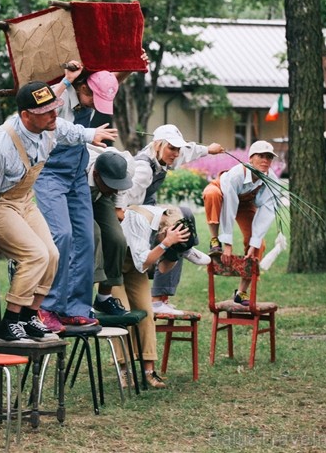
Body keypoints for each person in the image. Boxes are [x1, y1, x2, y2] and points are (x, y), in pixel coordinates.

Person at [0, 81, 118, 343]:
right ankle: (9, 323)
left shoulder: (49, 128)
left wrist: (91, 134)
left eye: (55, 108)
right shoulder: (0, 144)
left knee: (53, 253)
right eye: (46, 111)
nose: (54, 115)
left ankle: (31, 316)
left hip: (22, 199)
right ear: (26, 116)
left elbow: (68, 130)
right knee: (35, 255)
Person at [34, 62, 121, 331]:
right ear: (82, 86)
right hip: (49, 173)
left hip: (76, 176)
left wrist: (132, 65)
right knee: (62, 235)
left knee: (86, 238)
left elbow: (113, 77)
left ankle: (75, 308)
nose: (94, 106)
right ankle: (46, 307)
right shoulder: (56, 95)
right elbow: (53, 123)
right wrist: (88, 133)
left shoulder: (90, 93)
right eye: (92, 98)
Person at [121, 124, 224, 315]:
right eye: (172, 148)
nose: (176, 154)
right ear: (158, 144)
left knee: (184, 217)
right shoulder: (143, 168)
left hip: (149, 210)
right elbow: (126, 203)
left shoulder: (165, 154)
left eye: (177, 149)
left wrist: (209, 149)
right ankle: (160, 295)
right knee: (176, 226)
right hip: (136, 217)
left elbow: (188, 151)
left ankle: (183, 253)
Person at [112, 203, 191, 389]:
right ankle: (125, 371)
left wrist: (175, 250)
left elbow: (163, 268)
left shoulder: (165, 230)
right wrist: (165, 243)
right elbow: (143, 262)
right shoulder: (141, 218)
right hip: (114, 264)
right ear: (165, 230)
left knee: (146, 315)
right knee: (122, 315)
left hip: (135, 266)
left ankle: (149, 371)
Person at [202, 140, 279, 305]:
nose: (266, 160)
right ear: (251, 158)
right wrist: (227, 244)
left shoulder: (272, 180)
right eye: (261, 156)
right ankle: (215, 240)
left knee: (259, 245)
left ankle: (242, 292)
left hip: (245, 203)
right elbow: (229, 205)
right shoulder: (237, 175)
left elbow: (266, 212)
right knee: (211, 193)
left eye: (269, 157)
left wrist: (254, 243)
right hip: (223, 194)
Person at [86, 147, 135, 317]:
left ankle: (103, 298)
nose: (116, 189)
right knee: (93, 234)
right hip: (76, 194)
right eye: (112, 185)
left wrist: (118, 205)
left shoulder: (125, 162)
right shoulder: (81, 166)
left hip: (101, 196)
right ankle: (83, 302)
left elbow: (120, 187)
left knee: (117, 239)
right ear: (96, 175)